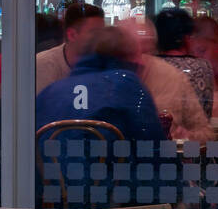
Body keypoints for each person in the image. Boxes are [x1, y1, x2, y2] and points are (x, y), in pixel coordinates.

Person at [34, 24, 163, 141]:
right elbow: (152, 147)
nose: (142, 62)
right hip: (110, 167)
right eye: (136, 55)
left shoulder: (49, 92)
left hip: (51, 167)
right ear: (123, 57)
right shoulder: (127, 84)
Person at [121, 18, 213, 142]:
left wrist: (187, 136)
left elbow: (205, 133)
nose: (139, 58)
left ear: (153, 48)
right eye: (130, 51)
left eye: (144, 50)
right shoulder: (108, 77)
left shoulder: (172, 77)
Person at [154, 8, 216, 118]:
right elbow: (206, 111)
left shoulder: (150, 66)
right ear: (186, 37)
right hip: (195, 133)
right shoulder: (202, 67)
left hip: (159, 134)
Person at [35, 3, 105, 93]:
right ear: (71, 35)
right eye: (95, 33)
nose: (102, 38)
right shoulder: (43, 66)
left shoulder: (105, 64)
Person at [190, 15, 218, 125]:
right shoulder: (198, 78)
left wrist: (210, 85)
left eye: (202, 50)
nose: (199, 59)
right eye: (193, 55)